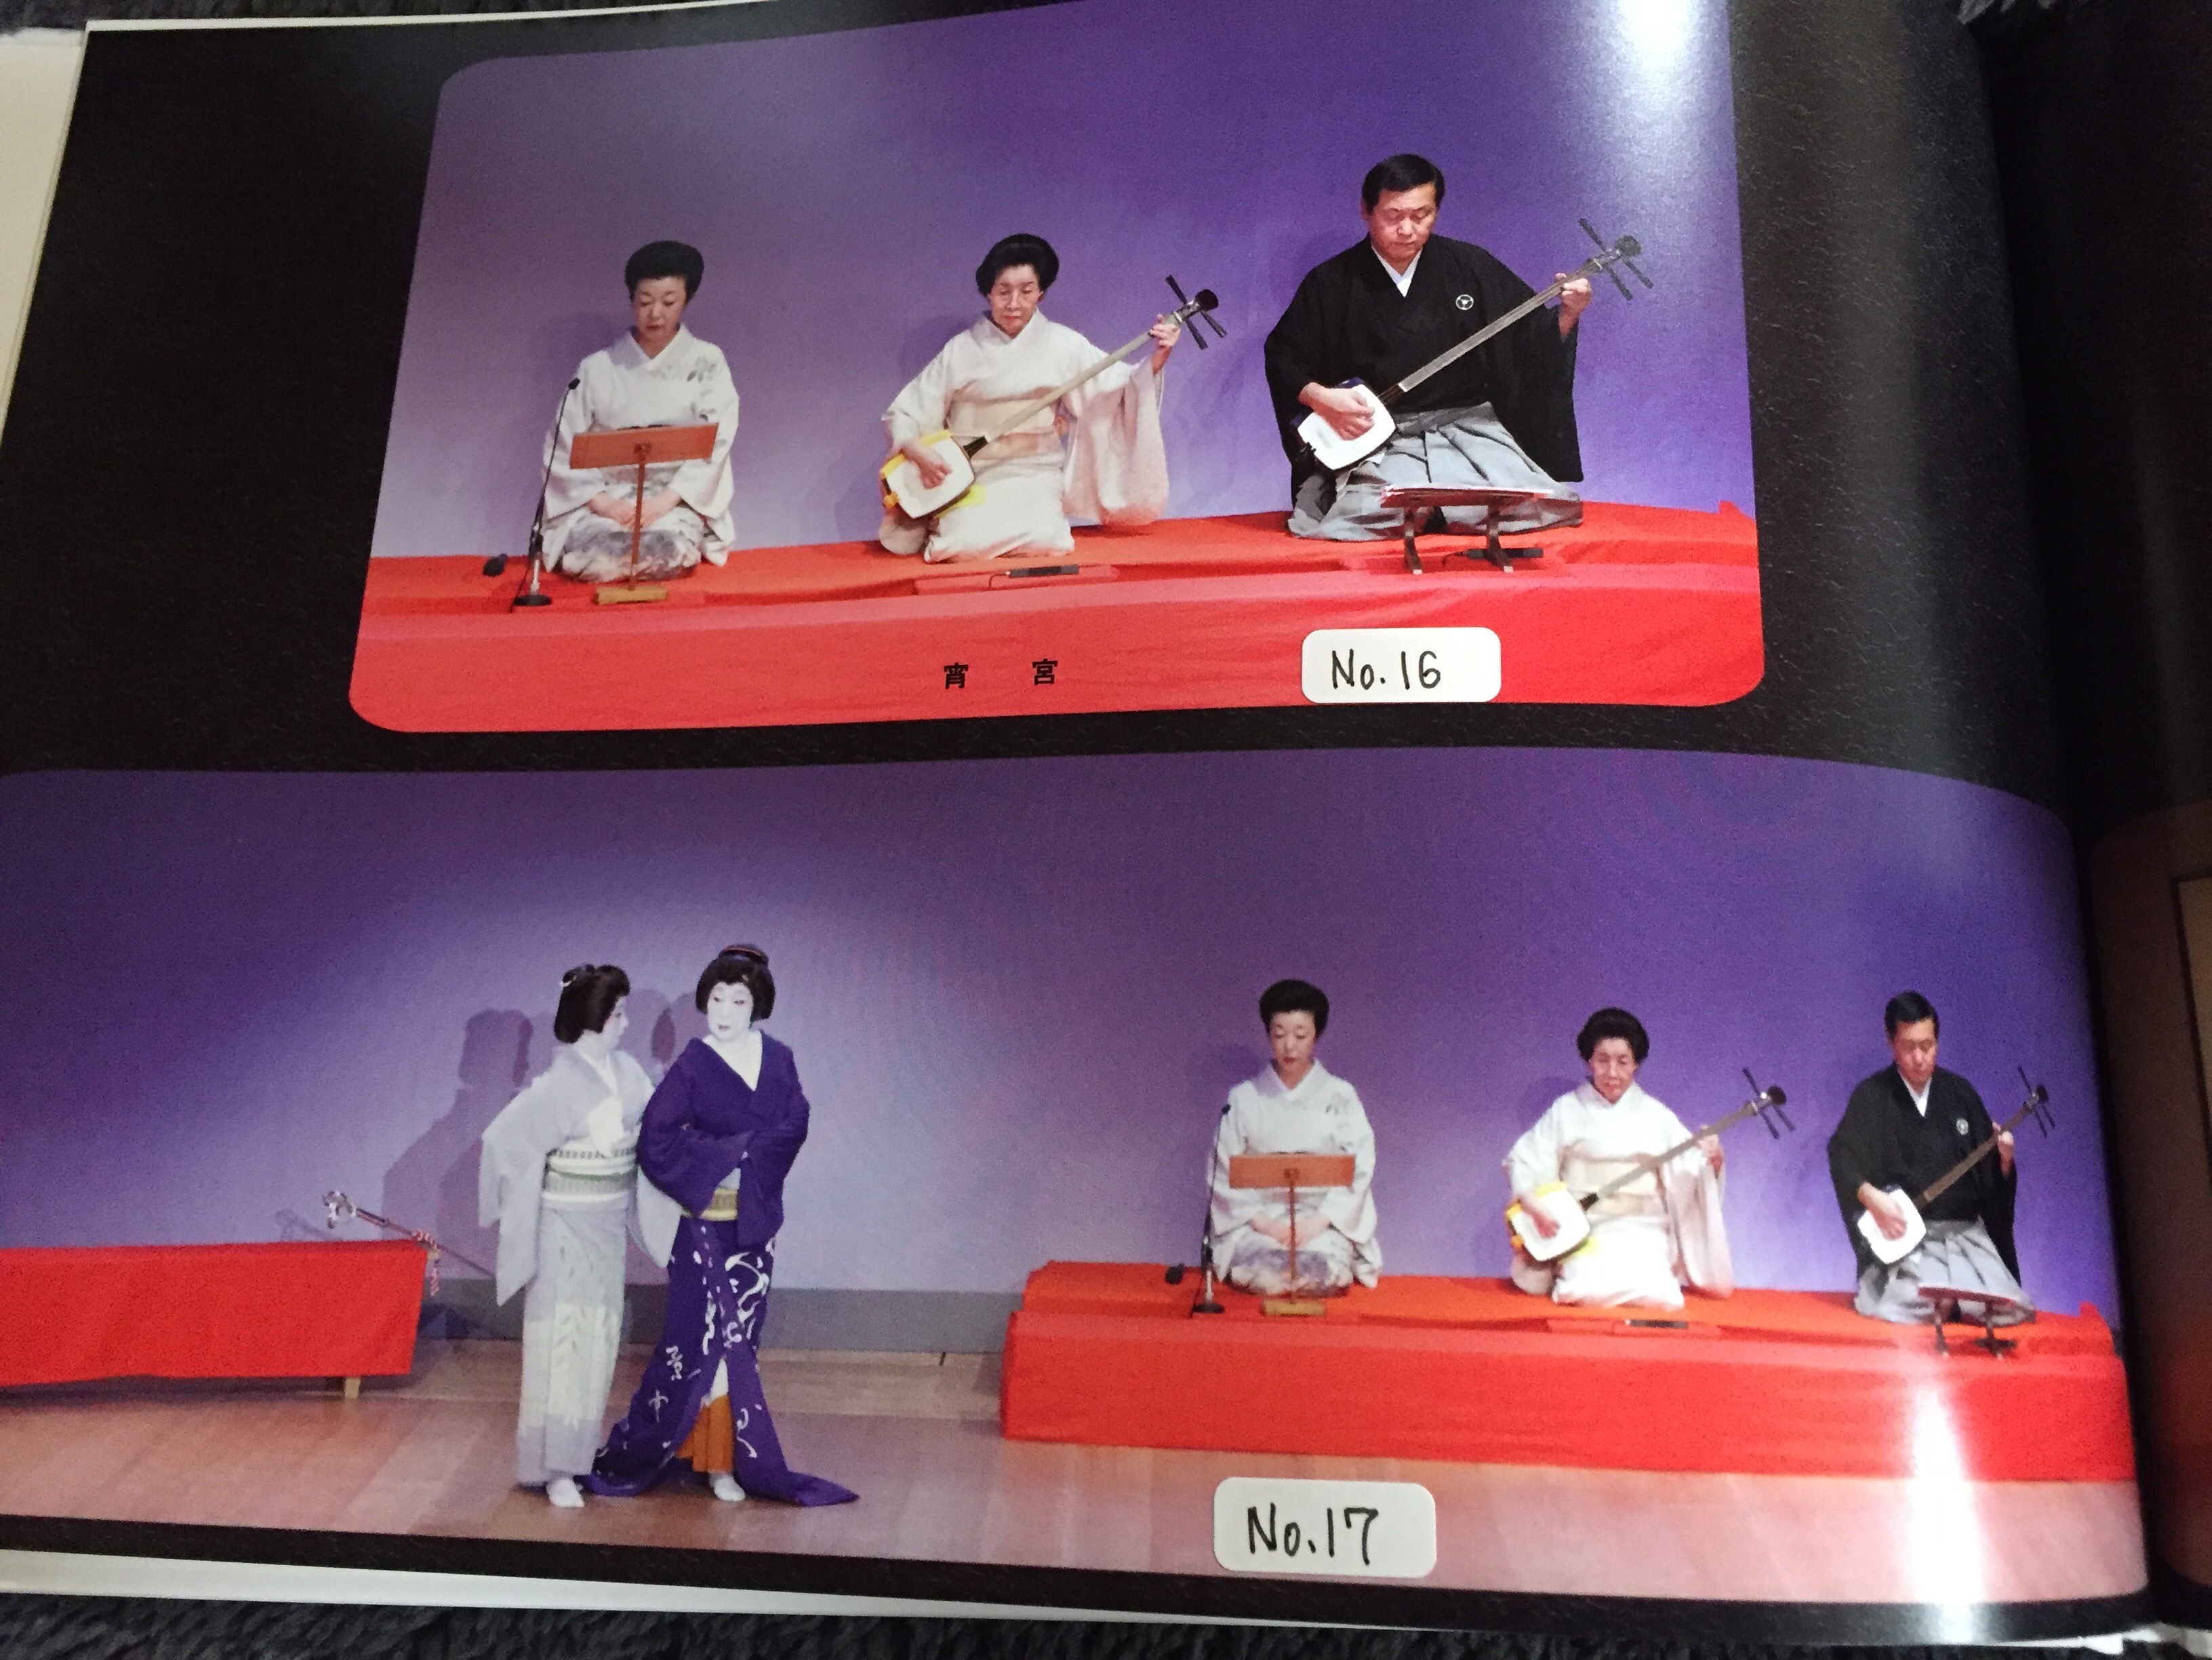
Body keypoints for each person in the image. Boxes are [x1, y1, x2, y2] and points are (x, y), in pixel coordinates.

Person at [586, 945, 856, 1505]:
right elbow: (656, 1139)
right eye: (716, 999)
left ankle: (721, 1462)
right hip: (703, 1232)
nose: (725, 1011)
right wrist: (729, 1154)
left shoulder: (778, 1059)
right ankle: (663, 1451)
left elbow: (795, 1122)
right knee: (695, 1345)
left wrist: (747, 1154)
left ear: (757, 1005)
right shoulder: (693, 1065)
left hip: (751, 1227)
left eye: (738, 1000)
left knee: (738, 1351)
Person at [1262, 153, 1590, 542]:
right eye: (1393, 216)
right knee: (1374, 515)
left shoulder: (1470, 266)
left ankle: (1442, 509)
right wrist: (1321, 398)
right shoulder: (1332, 282)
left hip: (1468, 431)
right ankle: (1426, 509)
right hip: (1381, 438)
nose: (1407, 230)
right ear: (1366, 211)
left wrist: (1568, 314)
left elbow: (1528, 339)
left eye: (1421, 216)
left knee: (1539, 506)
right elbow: (1284, 355)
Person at [476, 963, 666, 1509]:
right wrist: (511, 1203)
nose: (626, 1023)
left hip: (607, 1226)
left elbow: (657, 1125)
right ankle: (553, 1467)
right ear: (595, 1016)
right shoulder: (557, 1085)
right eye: (619, 1013)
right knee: (561, 1344)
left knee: (597, 1344)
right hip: (563, 1227)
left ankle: (576, 1458)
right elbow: (501, 1142)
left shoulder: (628, 1072)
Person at [879, 233, 1181, 561]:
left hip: (1034, 470)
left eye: (1026, 291)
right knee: (964, 545)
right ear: (988, 293)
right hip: (970, 473)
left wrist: (1158, 357)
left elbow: (1116, 387)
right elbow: (907, 412)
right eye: (1003, 291)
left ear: (1041, 293)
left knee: (1046, 541)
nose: (1014, 303)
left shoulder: (1062, 344)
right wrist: (915, 449)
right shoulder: (961, 350)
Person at [539, 240, 741, 583]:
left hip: (671, 502)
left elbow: (716, 444)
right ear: (632, 299)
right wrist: (605, 505)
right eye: (645, 302)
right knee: (601, 550)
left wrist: (663, 503)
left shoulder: (707, 362)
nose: (655, 314)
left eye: (669, 302)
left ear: (687, 300)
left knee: (666, 548)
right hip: (606, 504)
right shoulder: (596, 369)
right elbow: (562, 448)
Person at [1504, 1008, 1731, 1309]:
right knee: (1584, 1289)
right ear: (1589, 1061)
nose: (1612, 1073)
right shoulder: (1566, 1110)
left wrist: (1712, 1160)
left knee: (1661, 1296)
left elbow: (1689, 1173)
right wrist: (1530, 1200)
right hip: (1585, 1228)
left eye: (1623, 1062)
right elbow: (1526, 1160)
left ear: (1636, 1064)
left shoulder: (1656, 1116)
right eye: (1602, 1060)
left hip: (1643, 1229)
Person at [1827, 991, 2032, 1325]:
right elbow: (1842, 1155)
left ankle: (1957, 1301)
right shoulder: (1872, 1097)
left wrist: (2004, 1161)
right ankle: (1944, 1301)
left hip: (1966, 1239)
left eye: (1928, 1045)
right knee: (1915, 1302)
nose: (1919, 1058)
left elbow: (1990, 1185)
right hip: (1910, 1241)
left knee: (2008, 1307)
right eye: (1909, 1047)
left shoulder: (1961, 1094)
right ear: (1891, 1041)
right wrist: (1871, 1197)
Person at [1207, 979, 1380, 1297]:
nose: (1289, 1046)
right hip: (1260, 1223)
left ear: (1316, 1036)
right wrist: (1267, 1225)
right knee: (1264, 1270)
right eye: (1279, 1035)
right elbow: (1222, 1172)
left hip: (1321, 1222)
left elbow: (1360, 1167)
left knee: (1319, 1269)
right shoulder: (1243, 1098)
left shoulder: (1340, 1096)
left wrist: (1318, 1222)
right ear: (1267, 1035)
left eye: (1300, 1036)